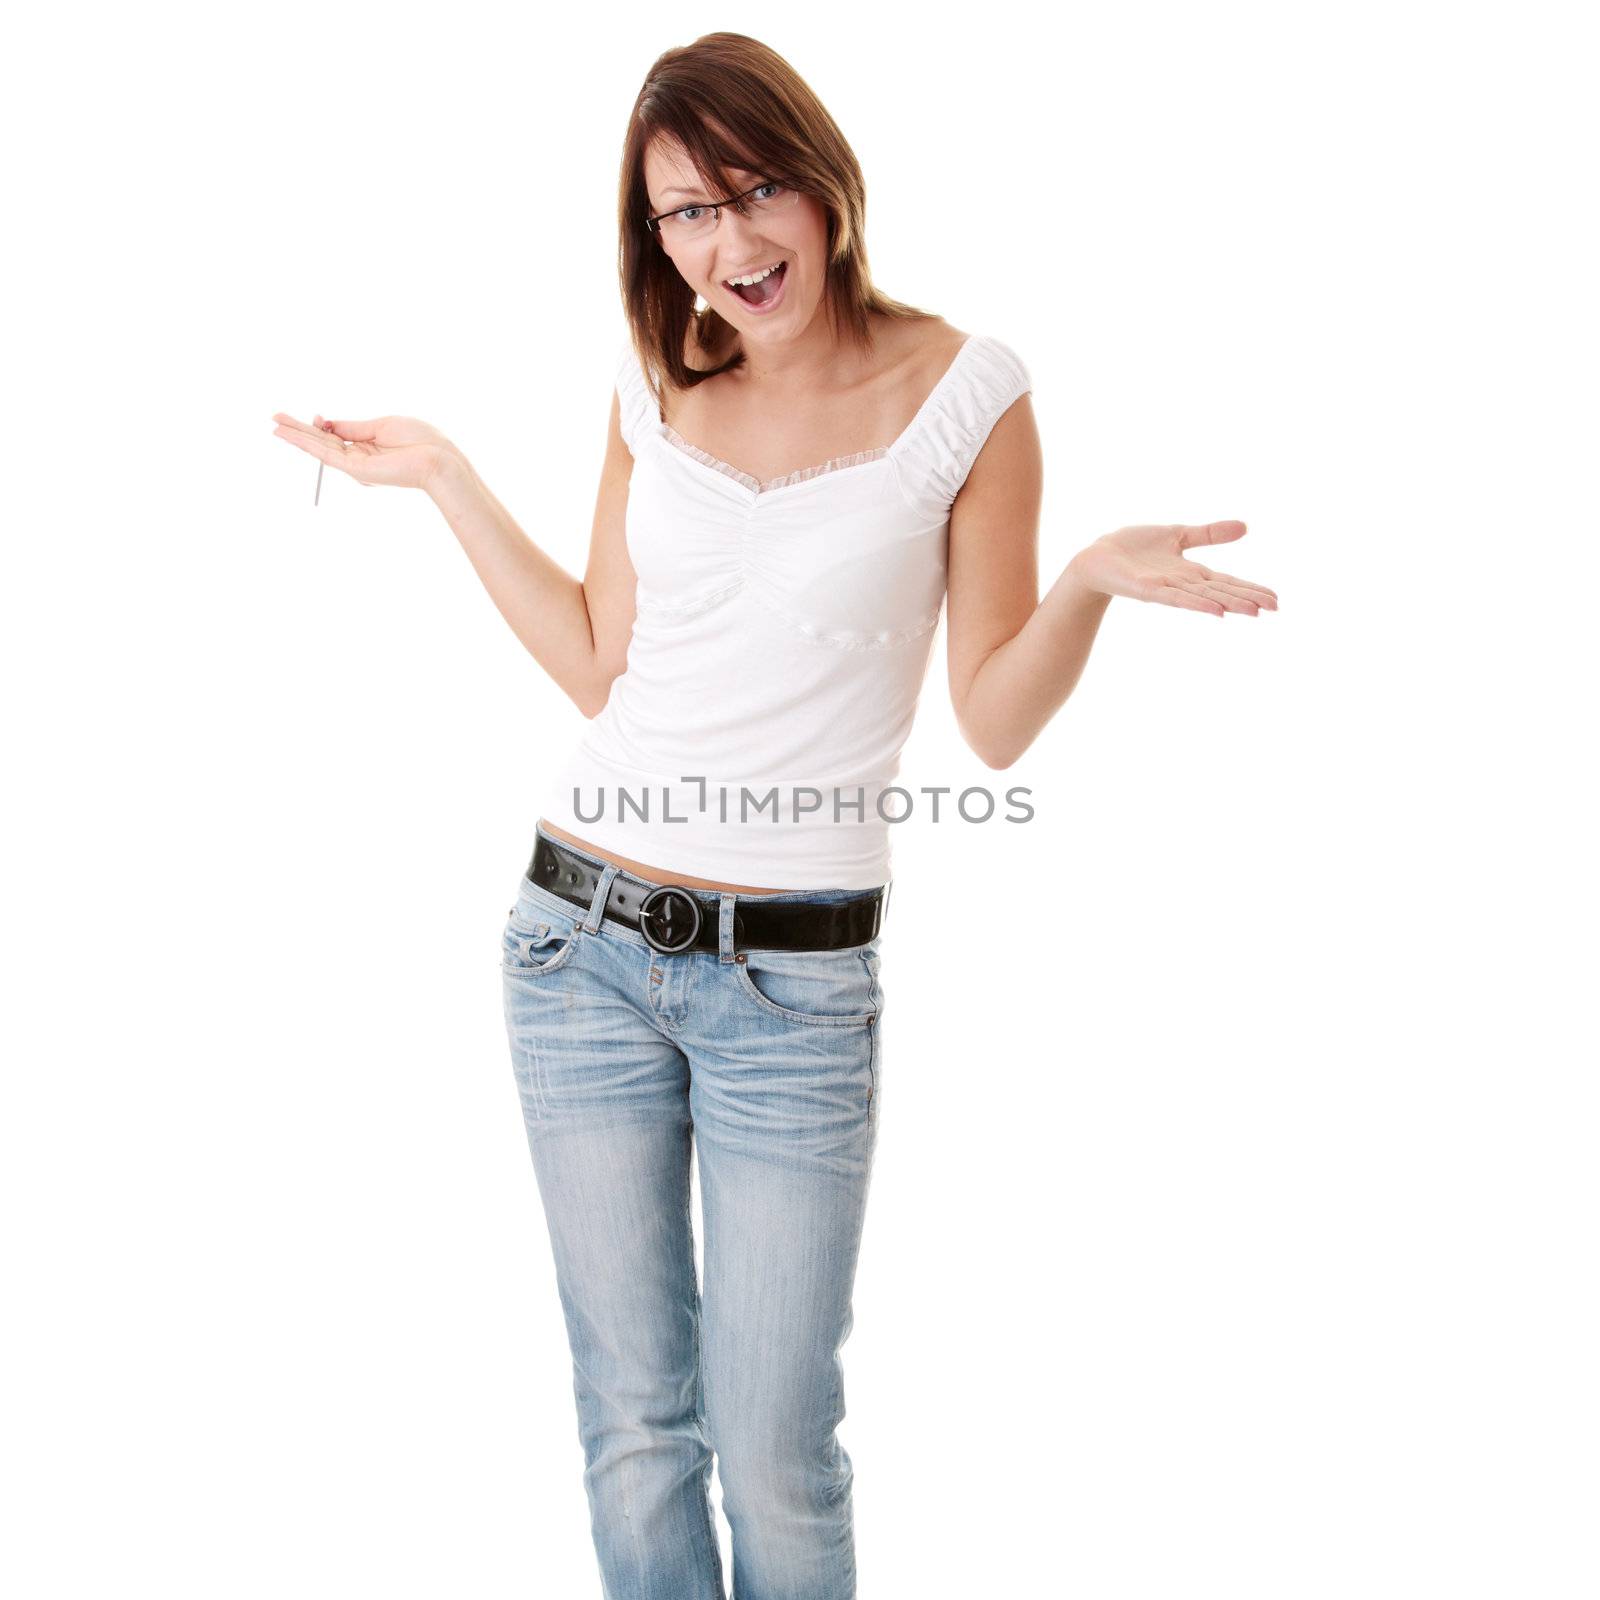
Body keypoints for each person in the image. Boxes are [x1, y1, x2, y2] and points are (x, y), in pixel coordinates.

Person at [270, 30, 1276, 1599]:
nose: (729, 245)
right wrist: (454, 481)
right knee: (634, 1429)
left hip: (791, 993)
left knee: (778, 1451)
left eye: (754, 192)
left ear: (822, 182)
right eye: (683, 214)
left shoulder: (968, 392)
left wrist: (1081, 581)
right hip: (573, 949)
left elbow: (995, 727)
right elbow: (605, 664)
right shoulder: (650, 376)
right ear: (651, 238)